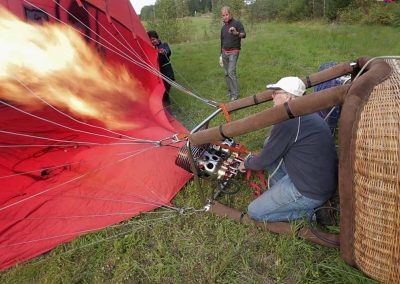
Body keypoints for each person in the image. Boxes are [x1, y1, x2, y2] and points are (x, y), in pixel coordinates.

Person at [238, 76, 338, 222]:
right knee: (269, 143)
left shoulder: (289, 122)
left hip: (309, 191)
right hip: (317, 179)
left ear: (289, 98)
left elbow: (264, 159)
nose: (272, 97)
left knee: (255, 211)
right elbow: (272, 148)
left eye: (276, 93)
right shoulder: (308, 112)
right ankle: (279, 196)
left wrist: (246, 163)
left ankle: (315, 214)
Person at [220, 6, 246, 101]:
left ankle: (235, 94)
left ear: (230, 14)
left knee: (231, 72)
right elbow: (222, 41)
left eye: (227, 14)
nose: (225, 17)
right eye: (223, 15)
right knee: (226, 73)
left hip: (234, 51)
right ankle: (230, 91)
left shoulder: (237, 23)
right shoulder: (223, 28)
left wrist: (236, 33)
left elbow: (244, 35)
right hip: (224, 52)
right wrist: (220, 55)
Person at [147, 30, 175, 107]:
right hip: (159, 76)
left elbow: (168, 51)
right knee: (162, 94)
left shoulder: (164, 45)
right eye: (150, 40)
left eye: (153, 39)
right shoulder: (151, 49)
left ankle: (168, 112)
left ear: (157, 38)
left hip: (167, 73)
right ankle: (165, 109)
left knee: (165, 93)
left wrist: (164, 52)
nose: (152, 41)